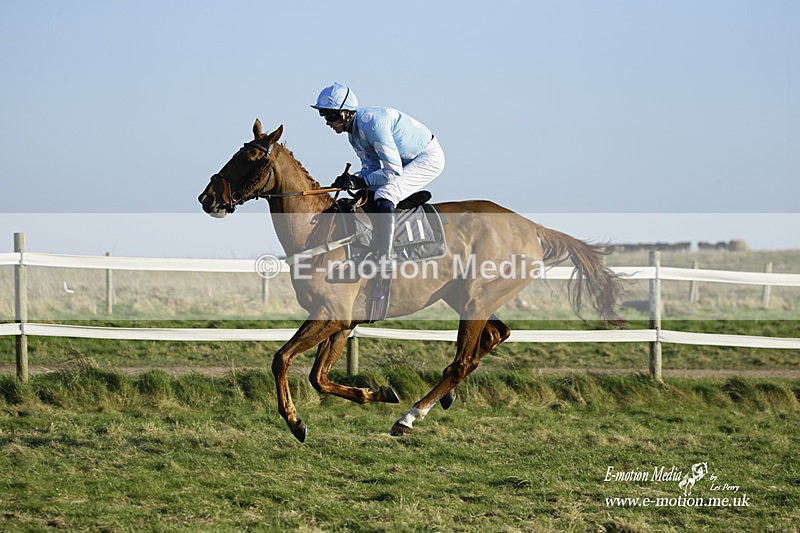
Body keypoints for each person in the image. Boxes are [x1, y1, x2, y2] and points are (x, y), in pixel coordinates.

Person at [311, 82, 445, 263]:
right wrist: (352, 179)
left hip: (427, 158)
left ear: (346, 113)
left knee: (385, 193)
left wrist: (360, 181)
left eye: (330, 116)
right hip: (405, 162)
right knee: (368, 192)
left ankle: (385, 256)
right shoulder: (354, 135)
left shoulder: (372, 124)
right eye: (323, 115)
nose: (327, 122)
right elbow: (371, 169)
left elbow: (392, 171)